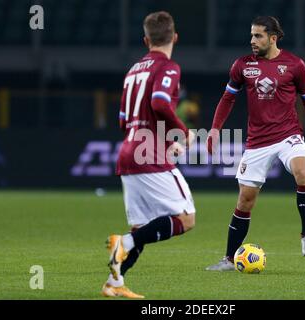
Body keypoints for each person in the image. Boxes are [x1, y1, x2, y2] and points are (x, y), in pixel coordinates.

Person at [205, 16, 305, 271]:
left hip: (288, 135)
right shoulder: (242, 65)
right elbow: (227, 98)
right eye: (251, 35)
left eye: (258, 36)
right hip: (257, 142)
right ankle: (229, 259)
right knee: (245, 201)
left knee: (302, 170)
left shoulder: (295, 65)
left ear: (273, 38)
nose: (252, 41)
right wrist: (215, 129)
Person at [102, 11, 196, 298]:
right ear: (175, 37)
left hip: (129, 152)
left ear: (146, 40)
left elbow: (123, 120)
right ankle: (125, 243)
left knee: (143, 225)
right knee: (186, 218)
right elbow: (159, 102)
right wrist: (183, 132)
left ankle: (114, 284)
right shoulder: (168, 67)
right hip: (148, 156)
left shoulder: (133, 71)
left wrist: (164, 142)